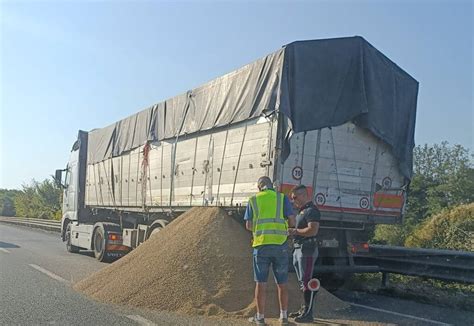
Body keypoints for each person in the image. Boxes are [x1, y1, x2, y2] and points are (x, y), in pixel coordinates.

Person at [244, 176, 295, 326]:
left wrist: (261, 230)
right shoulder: (282, 198)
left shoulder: (253, 200)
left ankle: (260, 318)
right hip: (280, 246)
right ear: (271, 186)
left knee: (261, 283)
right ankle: (284, 317)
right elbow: (292, 221)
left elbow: (248, 225)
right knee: (282, 283)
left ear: (259, 187)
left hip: (261, 246)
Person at [288, 185, 320, 323]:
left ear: (303, 195)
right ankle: (303, 309)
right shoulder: (302, 211)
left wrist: (295, 232)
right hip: (299, 248)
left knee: (307, 281)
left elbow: (313, 230)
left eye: (295, 197)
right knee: (303, 282)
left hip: (307, 249)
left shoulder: (311, 211)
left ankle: (308, 313)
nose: (293, 200)